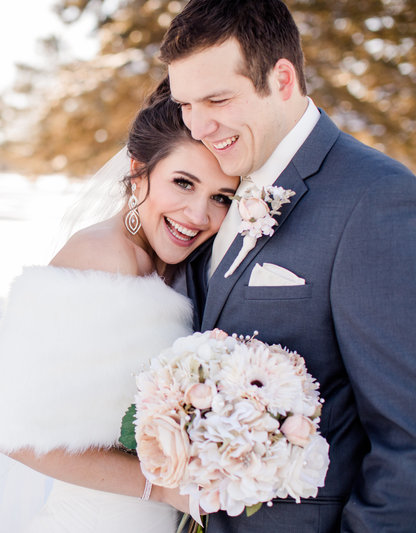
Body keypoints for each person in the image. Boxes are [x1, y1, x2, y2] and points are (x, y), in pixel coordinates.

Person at [0, 79, 238, 532]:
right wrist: (164, 487)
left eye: (220, 197)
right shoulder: (103, 260)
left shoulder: (173, 265)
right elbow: (17, 438)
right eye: (183, 183)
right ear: (138, 171)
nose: (198, 215)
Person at [158, 1, 416, 531]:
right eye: (185, 103)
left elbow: (406, 436)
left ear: (281, 78)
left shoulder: (374, 199)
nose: (198, 125)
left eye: (218, 99)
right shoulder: (214, 188)